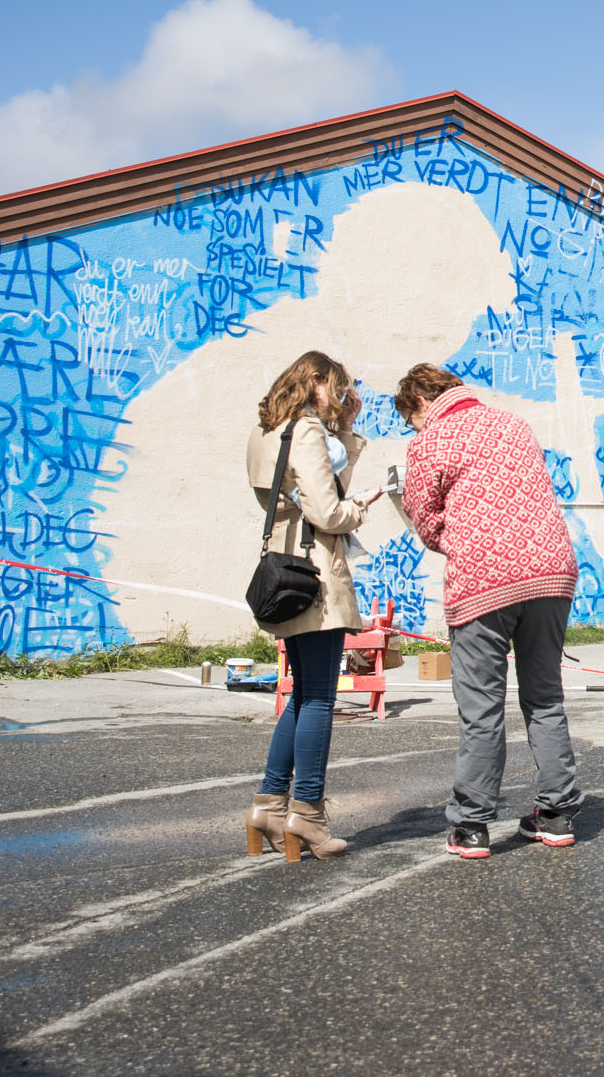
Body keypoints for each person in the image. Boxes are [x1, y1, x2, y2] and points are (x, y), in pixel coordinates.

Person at [395, 363, 583, 860]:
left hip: (483, 581)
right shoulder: (514, 423)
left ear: (419, 404)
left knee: (482, 709)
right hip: (551, 572)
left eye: (411, 418)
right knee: (545, 697)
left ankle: (473, 824)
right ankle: (556, 814)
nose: (415, 428)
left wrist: (455, 541)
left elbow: (425, 518)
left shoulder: (430, 440)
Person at [246, 350, 383, 861]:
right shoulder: (303, 430)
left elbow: (294, 496)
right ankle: (307, 814)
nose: (342, 397)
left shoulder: (267, 428)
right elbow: (328, 509)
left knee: (303, 693)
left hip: (286, 566)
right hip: (316, 572)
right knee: (321, 696)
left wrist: (344, 430)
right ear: (317, 380)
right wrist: (360, 509)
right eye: (338, 388)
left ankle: (268, 802)